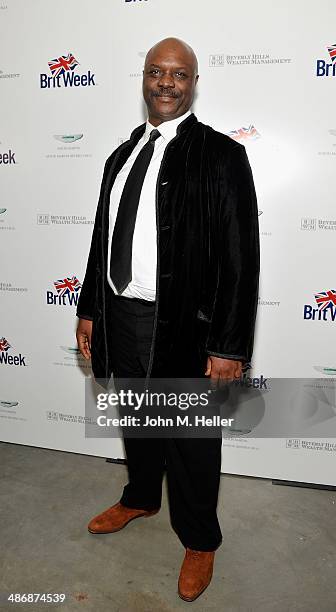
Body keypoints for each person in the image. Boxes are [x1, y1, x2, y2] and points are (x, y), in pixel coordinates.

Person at [76, 37, 260, 602]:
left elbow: (240, 256)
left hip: (186, 324)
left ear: (193, 82)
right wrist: (89, 309)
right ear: (144, 78)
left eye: (178, 75)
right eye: (156, 72)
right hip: (121, 316)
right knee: (136, 419)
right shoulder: (122, 154)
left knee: (192, 441)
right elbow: (102, 240)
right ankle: (139, 497)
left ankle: (200, 539)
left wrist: (229, 346)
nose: (165, 83)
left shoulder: (221, 155)